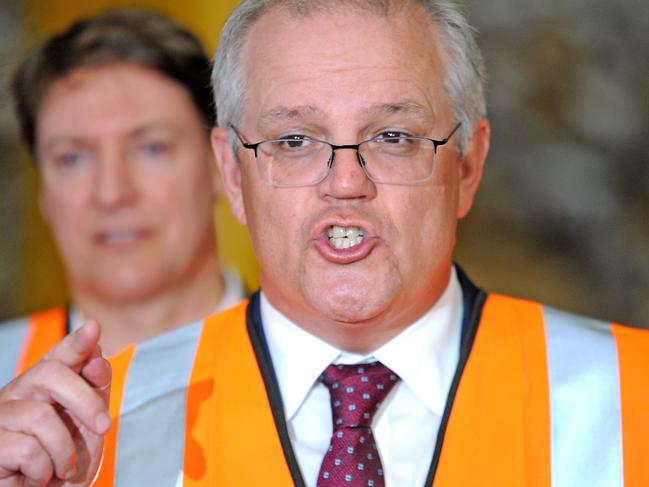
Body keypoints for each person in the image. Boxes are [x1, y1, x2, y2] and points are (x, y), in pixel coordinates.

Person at [1, 1, 647, 486]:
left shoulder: (631, 394)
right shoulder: (89, 431)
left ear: (467, 165)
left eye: (392, 136)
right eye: (294, 140)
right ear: (230, 172)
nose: (344, 182)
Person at [0, 8, 245, 384]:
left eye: (151, 148)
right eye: (73, 158)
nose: (111, 193)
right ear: (44, 194)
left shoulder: (325, 372)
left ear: (221, 165)